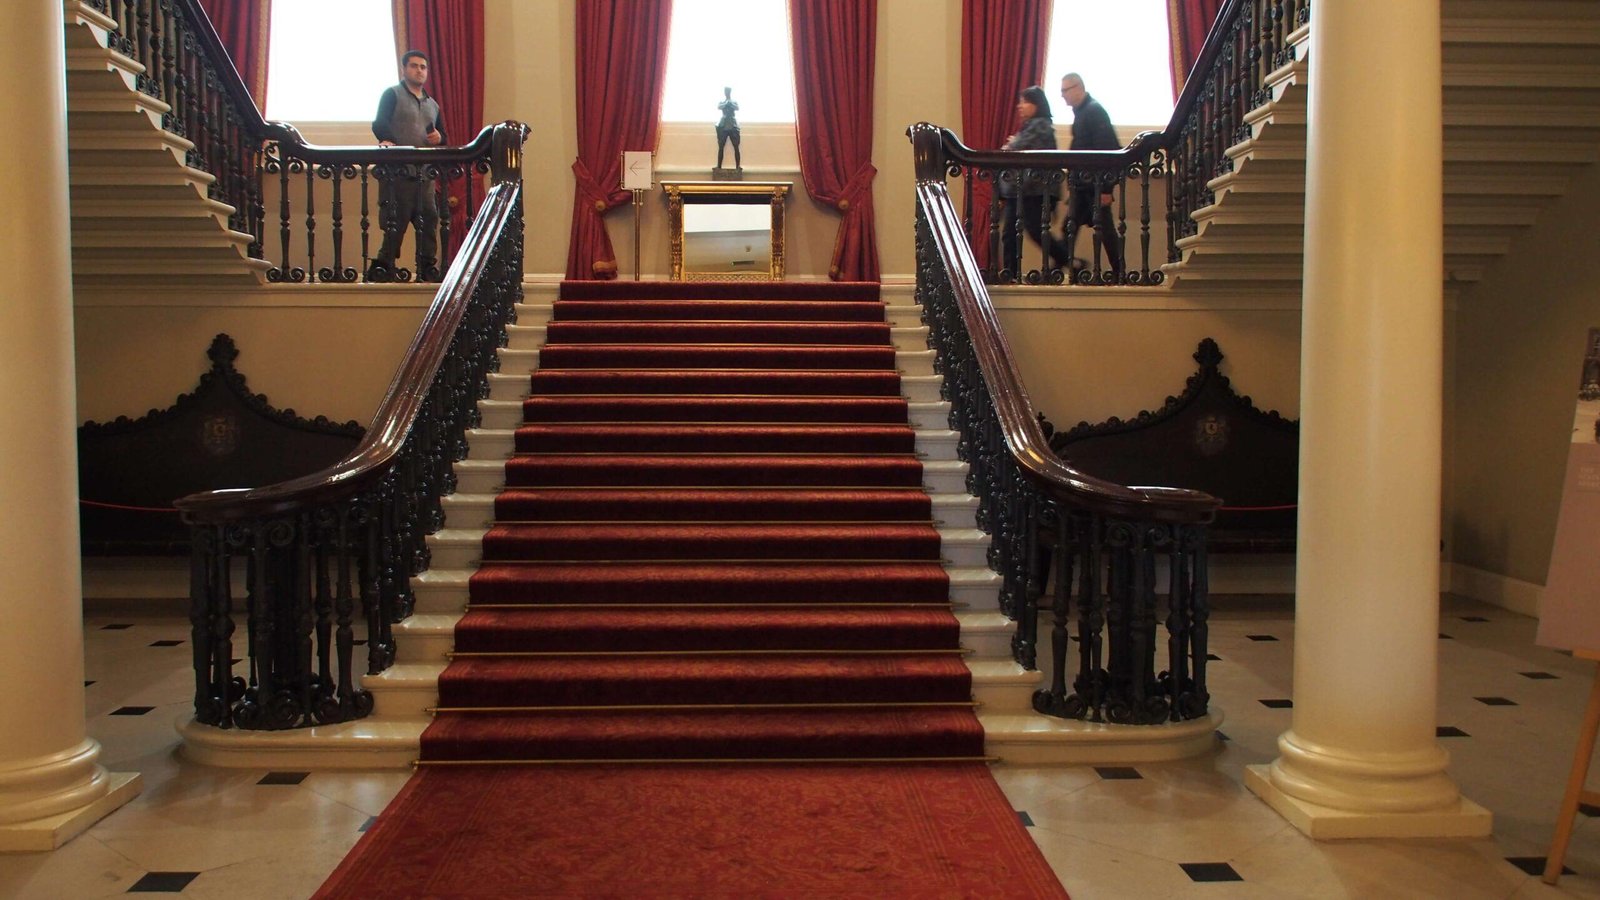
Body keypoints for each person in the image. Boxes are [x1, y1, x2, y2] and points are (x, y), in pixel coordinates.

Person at [370, 50, 445, 282]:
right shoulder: (392, 95)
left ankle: (426, 268)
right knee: (396, 221)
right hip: (398, 173)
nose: (419, 70)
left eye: (423, 67)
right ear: (404, 69)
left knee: (429, 221)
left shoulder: (433, 105)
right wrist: (388, 140)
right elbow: (379, 123)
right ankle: (384, 266)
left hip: (425, 175)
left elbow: (442, 136)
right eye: (414, 66)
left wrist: (439, 138)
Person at [1054, 72, 1124, 279]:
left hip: (1093, 186)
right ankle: (1058, 269)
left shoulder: (1093, 112)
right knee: (1072, 228)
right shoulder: (1084, 112)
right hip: (1084, 185)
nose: (1063, 95)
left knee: (1104, 232)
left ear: (1078, 88)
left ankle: (1119, 272)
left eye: (1065, 90)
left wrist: (1106, 189)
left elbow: (1108, 151)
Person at [997, 85, 1061, 278]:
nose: (1020, 106)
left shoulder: (1040, 125)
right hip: (1022, 189)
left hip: (1032, 189)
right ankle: (1010, 272)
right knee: (1012, 233)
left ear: (1037, 105)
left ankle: (1066, 258)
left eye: (1025, 101)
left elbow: (1013, 148)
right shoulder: (1032, 126)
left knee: (1032, 231)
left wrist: (1011, 143)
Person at [716, 87, 741, 170]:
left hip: (732, 125)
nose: (727, 92)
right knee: (721, 146)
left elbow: (737, 108)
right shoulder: (722, 102)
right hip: (723, 125)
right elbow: (719, 107)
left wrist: (730, 103)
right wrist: (726, 103)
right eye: (725, 91)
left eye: (728, 91)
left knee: (736, 146)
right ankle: (719, 166)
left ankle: (738, 166)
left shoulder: (734, 102)